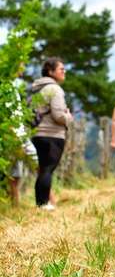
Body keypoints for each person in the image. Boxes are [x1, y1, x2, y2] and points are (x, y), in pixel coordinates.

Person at [30, 57, 73, 210]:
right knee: (47, 169)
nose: (64, 71)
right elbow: (58, 116)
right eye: (61, 69)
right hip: (52, 135)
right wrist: (68, 116)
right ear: (51, 71)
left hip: (37, 133)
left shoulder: (36, 88)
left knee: (43, 169)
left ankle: (40, 203)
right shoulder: (54, 89)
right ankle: (43, 204)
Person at [7, 64, 37, 206]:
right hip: (14, 134)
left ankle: (17, 201)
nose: (23, 69)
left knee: (18, 169)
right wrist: (13, 133)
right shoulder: (6, 87)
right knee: (21, 168)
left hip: (20, 133)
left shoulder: (14, 87)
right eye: (20, 66)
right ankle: (16, 202)